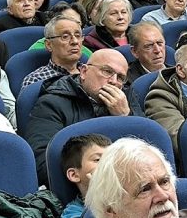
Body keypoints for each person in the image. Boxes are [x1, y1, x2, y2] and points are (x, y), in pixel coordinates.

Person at [26, 48, 134, 184]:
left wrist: (125, 117)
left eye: (120, 78)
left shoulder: (126, 99)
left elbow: (147, 148)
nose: (113, 81)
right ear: (83, 72)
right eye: (107, 71)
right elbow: (44, 164)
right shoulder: (52, 103)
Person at [59, 133, 110, 218]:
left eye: (111, 159)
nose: (108, 164)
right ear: (74, 175)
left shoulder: (131, 195)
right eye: (98, 159)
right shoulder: (73, 214)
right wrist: (101, 196)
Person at [21, 15, 84, 89]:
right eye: (65, 37)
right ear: (49, 45)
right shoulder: (36, 80)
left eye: (77, 36)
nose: (75, 41)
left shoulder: (91, 72)